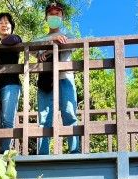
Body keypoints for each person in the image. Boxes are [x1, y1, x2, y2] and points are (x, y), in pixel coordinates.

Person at [35, 2, 79, 155]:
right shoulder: (38, 39)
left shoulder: (69, 35)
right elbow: (33, 52)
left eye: (57, 13)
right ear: (46, 17)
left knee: (70, 113)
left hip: (65, 78)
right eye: (51, 14)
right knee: (44, 118)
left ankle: (74, 152)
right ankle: (42, 154)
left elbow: (71, 46)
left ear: (62, 16)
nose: (54, 16)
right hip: (46, 81)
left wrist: (47, 50)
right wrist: (51, 45)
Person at [0, 12, 22, 154]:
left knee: (7, 119)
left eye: (7, 22)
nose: (4, 24)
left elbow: (12, 39)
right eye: (0, 22)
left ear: (12, 26)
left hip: (11, 84)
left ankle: (5, 152)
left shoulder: (15, 39)